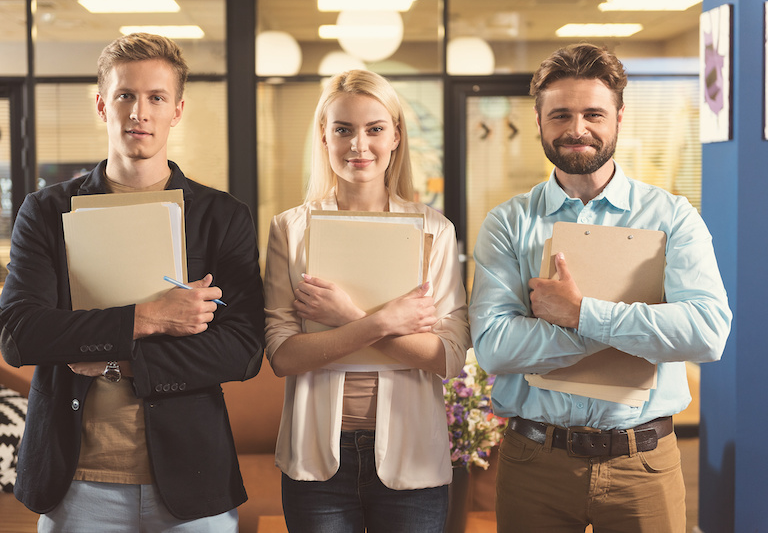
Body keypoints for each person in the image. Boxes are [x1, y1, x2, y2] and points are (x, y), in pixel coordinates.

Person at [0, 33, 264, 532]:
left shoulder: (222, 217)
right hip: (74, 483)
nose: (139, 111)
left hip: (191, 480)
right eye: (125, 95)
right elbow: (17, 334)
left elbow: (244, 349)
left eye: (156, 97)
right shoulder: (46, 211)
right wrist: (151, 318)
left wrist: (117, 356)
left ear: (177, 110)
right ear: (102, 104)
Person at [469, 43, 732, 532]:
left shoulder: (672, 217)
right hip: (535, 463)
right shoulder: (507, 223)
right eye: (561, 115)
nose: (577, 129)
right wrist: (642, 323)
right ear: (539, 119)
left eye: (593, 113)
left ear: (619, 117)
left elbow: (707, 332)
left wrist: (581, 313)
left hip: (643, 464)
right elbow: (493, 348)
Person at [263, 69, 470, 533]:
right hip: (317, 461)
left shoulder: (434, 230)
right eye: (343, 130)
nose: (359, 145)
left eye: (374, 129)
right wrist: (386, 323)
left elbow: (448, 357)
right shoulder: (289, 231)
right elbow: (282, 355)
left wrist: (347, 317)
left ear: (395, 135)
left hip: (412, 458)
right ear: (324, 136)